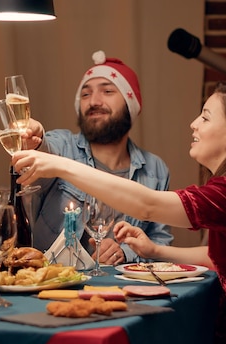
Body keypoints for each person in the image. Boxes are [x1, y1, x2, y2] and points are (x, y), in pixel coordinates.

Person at [13, 79, 226, 344]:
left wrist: (61, 165)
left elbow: (148, 205)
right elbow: (223, 257)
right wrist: (155, 250)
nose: (193, 124)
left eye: (205, 117)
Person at [24, 50, 173, 264]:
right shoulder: (64, 146)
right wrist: (36, 140)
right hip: (53, 281)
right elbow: (46, 150)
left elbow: (161, 241)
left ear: (131, 105)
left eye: (107, 91)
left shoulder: (155, 169)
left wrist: (125, 254)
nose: (94, 101)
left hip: (122, 290)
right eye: (85, 94)